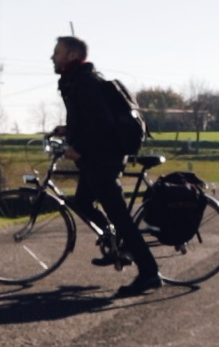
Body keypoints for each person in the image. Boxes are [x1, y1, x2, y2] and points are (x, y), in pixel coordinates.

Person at [50, 36, 162, 296]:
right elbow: (91, 119)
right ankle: (115, 244)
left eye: (57, 52)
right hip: (96, 158)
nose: (52, 57)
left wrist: (78, 148)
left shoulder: (85, 82)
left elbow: (103, 124)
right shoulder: (77, 81)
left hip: (103, 159)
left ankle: (149, 272)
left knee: (121, 217)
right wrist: (69, 130)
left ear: (72, 55)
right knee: (82, 201)